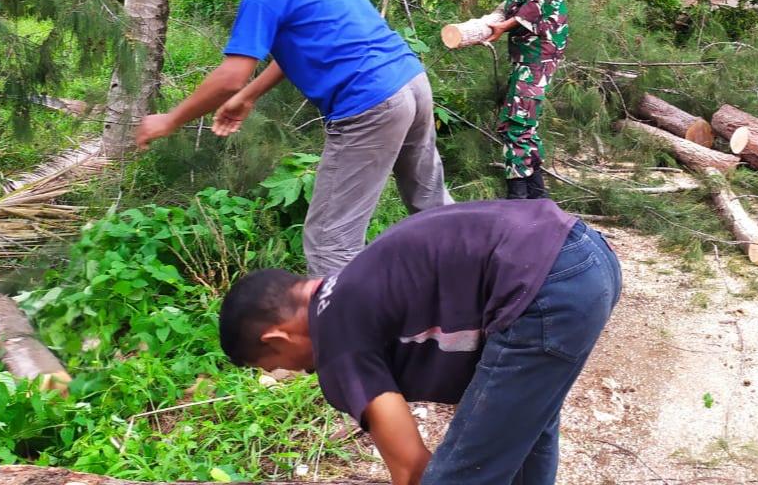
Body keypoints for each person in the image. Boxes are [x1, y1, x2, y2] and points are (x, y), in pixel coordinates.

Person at [135, 0, 451, 276]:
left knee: (329, 240)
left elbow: (229, 76)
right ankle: (479, 282)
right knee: (430, 203)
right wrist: (251, 96)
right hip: (410, 80)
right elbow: (306, 45)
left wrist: (170, 120)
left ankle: (347, 330)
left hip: (368, 102)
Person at [219, 199, 621, 485]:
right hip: (585, 256)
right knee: (522, 432)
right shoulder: (349, 289)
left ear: (275, 337)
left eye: (276, 363)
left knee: (459, 475)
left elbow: (411, 469)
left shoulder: (333, 333)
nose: (296, 371)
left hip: (544, 284)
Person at [486, 0, 568, 200]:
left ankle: (518, 207)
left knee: (516, 125)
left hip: (540, 48)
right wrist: (497, 16)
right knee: (524, 125)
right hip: (531, 47)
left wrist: (505, 25)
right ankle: (539, 203)